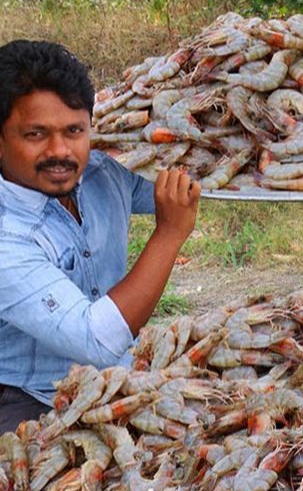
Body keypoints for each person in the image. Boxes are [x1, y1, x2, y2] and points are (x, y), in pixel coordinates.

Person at [0, 40, 201, 432]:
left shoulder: (101, 170)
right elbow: (96, 338)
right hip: (29, 397)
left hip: (115, 376)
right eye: (36, 134)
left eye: (74, 131)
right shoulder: (6, 235)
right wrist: (169, 235)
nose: (60, 151)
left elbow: (190, 179)